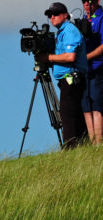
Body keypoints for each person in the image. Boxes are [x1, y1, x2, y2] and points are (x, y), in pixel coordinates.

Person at [36, 2, 88, 149]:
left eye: (56, 14)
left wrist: (48, 58)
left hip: (71, 79)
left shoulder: (70, 31)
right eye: (49, 15)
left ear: (65, 15)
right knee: (73, 113)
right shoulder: (62, 32)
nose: (52, 17)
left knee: (67, 114)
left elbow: (70, 57)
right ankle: (81, 145)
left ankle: (70, 148)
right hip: (67, 79)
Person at [81, 0, 103, 144]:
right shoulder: (83, 19)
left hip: (98, 66)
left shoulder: (101, 17)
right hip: (84, 69)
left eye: (89, 1)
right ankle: (92, 143)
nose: (87, 5)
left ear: (97, 1)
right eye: (84, 2)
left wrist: (86, 57)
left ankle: (99, 142)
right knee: (86, 106)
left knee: (97, 105)